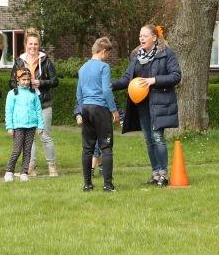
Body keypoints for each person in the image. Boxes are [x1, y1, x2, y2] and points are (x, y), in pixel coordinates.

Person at [112, 24, 181, 187]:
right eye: (140, 36)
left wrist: (154, 80)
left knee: (157, 137)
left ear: (154, 37)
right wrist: (112, 85)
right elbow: (127, 78)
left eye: (145, 35)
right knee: (149, 139)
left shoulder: (166, 54)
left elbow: (176, 76)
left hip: (160, 103)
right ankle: (155, 173)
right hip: (142, 104)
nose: (141, 38)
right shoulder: (136, 57)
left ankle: (163, 175)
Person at [9, 28, 59, 177]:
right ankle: (31, 167)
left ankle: (52, 166)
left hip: (43, 103)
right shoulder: (19, 62)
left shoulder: (46, 61)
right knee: (29, 137)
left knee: (45, 135)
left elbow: (55, 81)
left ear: (39, 45)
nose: (33, 47)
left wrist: (41, 82)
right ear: (25, 44)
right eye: (30, 44)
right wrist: (24, 86)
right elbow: (11, 82)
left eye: (35, 44)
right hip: (25, 106)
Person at [76, 37, 119, 192]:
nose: (107, 57)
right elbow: (107, 90)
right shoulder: (104, 67)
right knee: (106, 146)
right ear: (103, 51)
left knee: (87, 148)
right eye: (107, 54)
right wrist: (114, 110)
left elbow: (79, 94)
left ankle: (87, 184)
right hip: (100, 108)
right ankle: (108, 184)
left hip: (86, 108)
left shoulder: (82, 68)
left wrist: (81, 111)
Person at [4, 68, 44, 183]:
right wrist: (9, 127)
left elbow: (38, 110)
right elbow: (9, 111)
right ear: (18, 80)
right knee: (17, 150)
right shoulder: (12, 93)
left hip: (31, 126)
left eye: (28, 79)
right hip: (18, 126)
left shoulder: (33, 93)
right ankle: (9, 171)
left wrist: (40, 125)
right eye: (23, 80)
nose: (26, 82)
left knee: (27, 151)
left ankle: (24, 172)